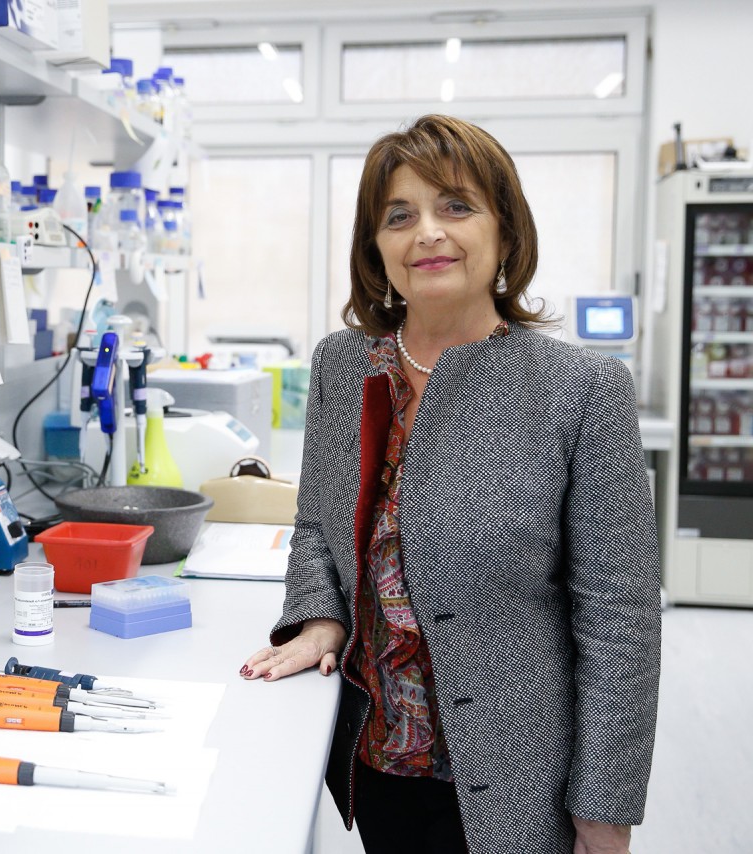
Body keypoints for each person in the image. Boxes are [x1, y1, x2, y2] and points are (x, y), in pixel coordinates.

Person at [241, 114, 661, 854]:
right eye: (399, 216)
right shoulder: (345, 366)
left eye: (456, 207)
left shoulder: (580, 389)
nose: (427, 232)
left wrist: (605, 803)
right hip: (381, 760)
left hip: (519, 777)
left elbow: (619, 619)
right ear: (376, 246)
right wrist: (320, 618)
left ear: (506, 232)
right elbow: (317, 526)